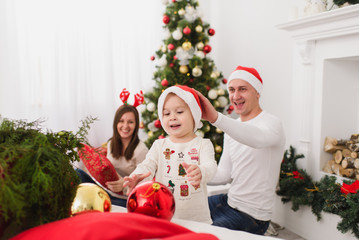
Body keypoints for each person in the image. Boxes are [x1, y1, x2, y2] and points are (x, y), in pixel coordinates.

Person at [196, 65, 286, 235]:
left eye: (242, 89)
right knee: (182, 209)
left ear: (257, 92)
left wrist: (216, 118)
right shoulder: (232, 128)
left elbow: (255, 139)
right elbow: (224, 173)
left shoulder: (272, 123)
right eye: (231, 90)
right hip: (229, 201)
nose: (235, 96)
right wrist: (195, 171)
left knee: (207, 236)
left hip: (252, 216)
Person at [123, 85, 217, 224]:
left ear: (194, 114)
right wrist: (136, 177)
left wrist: (201, 171)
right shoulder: (159, 145)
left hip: (198, 219)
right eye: (166, 114)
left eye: (179, 112)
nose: (172, 117)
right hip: (165, 215)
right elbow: (147, 166)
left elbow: (211, 166)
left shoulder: (203, 144)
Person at [76, 104, 148, 207]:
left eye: (130, 122)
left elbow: (144, 183)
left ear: (136, 125)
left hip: (124, 199)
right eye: (121, 121)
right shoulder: (111, 143)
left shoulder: (141, 150)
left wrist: (124, 185)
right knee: (78, 173)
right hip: (106, 191)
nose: (125, 126)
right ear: (116, 123)